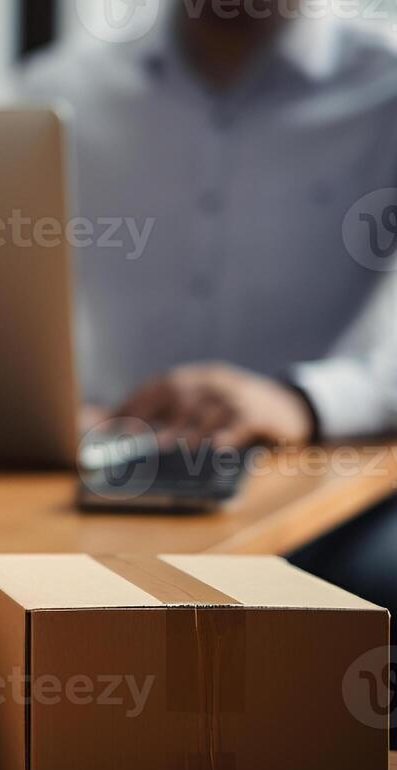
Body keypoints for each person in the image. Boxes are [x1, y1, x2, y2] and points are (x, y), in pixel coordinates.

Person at [23, 4, 397, 616]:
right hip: (102, 474)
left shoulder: (386, 87)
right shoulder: (55, 95)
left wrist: (305, 401)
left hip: (333, 486)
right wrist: (37, 400)